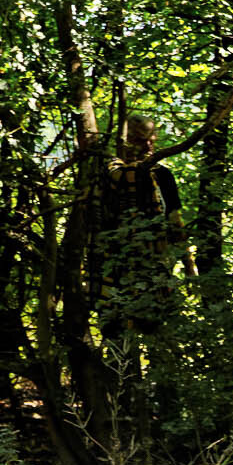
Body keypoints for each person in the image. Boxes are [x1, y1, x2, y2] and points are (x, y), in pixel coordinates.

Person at [95, 116, 195, 332]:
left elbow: (175, 222)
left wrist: (189, 265)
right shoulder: (107, 175)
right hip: (114, 266)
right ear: (126, 140)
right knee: (115, 329)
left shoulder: (162, 175)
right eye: (141, 140)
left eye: (152, 140)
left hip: (154, 265)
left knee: (155, 327)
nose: (148, 146)